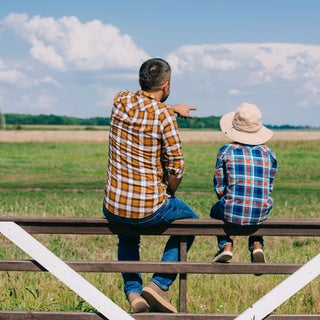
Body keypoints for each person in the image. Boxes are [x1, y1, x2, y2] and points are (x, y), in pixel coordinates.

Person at [103, 58, 199, 313]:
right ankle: (158, 284)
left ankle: (134, 292)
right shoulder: (165, 117)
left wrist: (170, 108)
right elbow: (176, 167)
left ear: (139, 82)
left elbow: (146, 105)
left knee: (127, 236)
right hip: (149, 209)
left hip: (114, 206)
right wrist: (170, 191)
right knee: (191, 222)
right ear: (166, 85)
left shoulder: (119, 101)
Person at [210, 102, 277, 265]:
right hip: (260, 212)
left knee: (214, 212)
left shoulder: (226, 151)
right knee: (257, 208)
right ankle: (256, 245)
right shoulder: (269, 153)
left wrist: (227, 198)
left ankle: (225, 246)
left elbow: (219, 185)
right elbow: (269, 186)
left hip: (231, 211)